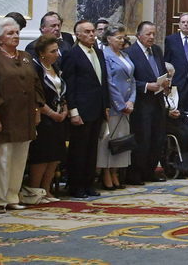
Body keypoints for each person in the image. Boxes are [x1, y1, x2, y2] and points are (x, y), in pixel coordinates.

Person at [0, 17, 43, 213]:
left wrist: (37, 109)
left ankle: (12, 196)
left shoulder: (25, 56)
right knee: (1, 158)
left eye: (17, 32)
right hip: (4, 115)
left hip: (25, 115)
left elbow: (36, 84)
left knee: (20, 158)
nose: (15, 36)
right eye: (10, 33)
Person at [61, 20, 109, 198]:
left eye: (93, 31)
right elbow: (70, 86)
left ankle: (89, 183)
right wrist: (73, 111)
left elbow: (102, 82)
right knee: (78, 150)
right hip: (81, 109)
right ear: (78, 35)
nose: (92, 34)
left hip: (96, 108)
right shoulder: (72, 54)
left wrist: (106, 105)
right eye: (87, 32)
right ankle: (76, 185)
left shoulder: (97, 52)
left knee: (91, 149)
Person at [125, 21, 169, 183]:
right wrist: (145, 86)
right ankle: (135, 174)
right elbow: (128, 81)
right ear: (139, 35)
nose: (152, 37)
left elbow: (162, 71)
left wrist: (165, 82)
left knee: (156, 138)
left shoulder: (156, 50)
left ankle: (150, 171)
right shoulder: (130, 52)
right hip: (141, 103)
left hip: (157, 101)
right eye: (148, 34)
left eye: (153, 34)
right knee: (142, 139)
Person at [27, 35, 67, 202]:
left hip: (59, 117)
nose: (57, 54)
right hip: (43, 118)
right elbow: (35, 95)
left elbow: (62, 90)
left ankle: (46, 189)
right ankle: (35, 191)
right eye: (53, 51)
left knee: (55, 155)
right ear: (42, 54)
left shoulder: (55, 67)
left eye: (57, 50)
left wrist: (64, 109)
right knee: (42, 156)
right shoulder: (36, 68)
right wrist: (51, 113)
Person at [98, 23, 134, 190]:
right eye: (118, 37)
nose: (122, 40)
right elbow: (109, 82)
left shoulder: (125, 56)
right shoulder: (105, 55)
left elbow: (132, 79)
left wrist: (131, 101)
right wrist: (120, 104)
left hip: (127, 105)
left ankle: (115, 171)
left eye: (123, 37)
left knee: (121, 140)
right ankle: (105, 172)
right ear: (109, 38)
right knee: (109, 140)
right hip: (114, 106)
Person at [164, 13, 188, 122]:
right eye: (183, 22)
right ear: (179, 24)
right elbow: (166, 62)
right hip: (177, 84)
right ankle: (178, 138)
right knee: (177, 113)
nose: (186, 24)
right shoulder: (171, 40)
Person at [164, 64, 188, 177]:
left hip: (176, 120)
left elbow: (180, 106)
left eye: (171, 77)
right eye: (168, 77)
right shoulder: (158, 91)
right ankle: (182, 165)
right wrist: (168, 113)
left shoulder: (175, 89)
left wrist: (179, 112)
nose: (170, 79)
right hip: (164, 121)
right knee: (182, 135)